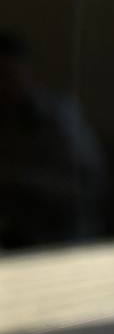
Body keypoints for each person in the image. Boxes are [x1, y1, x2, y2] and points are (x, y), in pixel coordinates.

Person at [0, 31, 105, 249]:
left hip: (63, 240)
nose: (3, 86)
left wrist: (18, 180)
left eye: (7, 75)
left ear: (26, 73)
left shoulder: (59, 118)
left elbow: (88, 187)